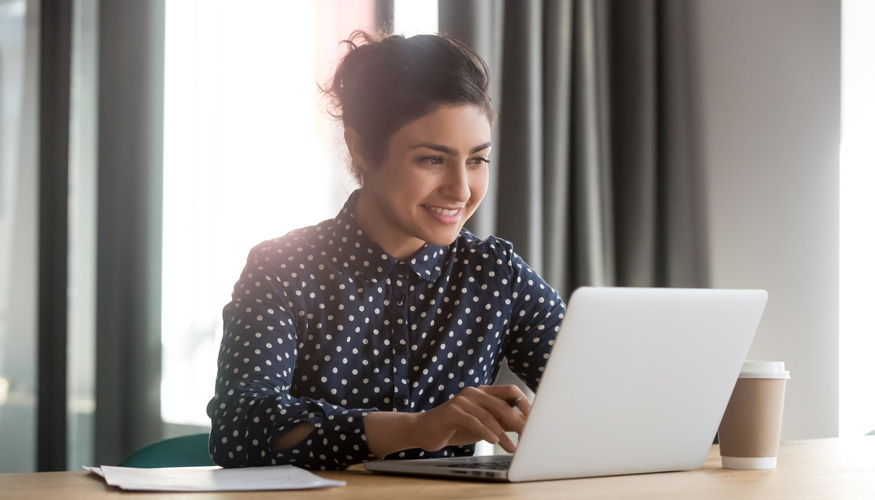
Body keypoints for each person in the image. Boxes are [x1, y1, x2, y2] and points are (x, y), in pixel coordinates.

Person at [206, 31, 566, 471]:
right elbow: (240, 429)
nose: (461, 189)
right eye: (432, 160)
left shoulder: (496, 274)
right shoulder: (282, 268)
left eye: (476, 160)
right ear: (361, 148)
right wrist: (418, 428)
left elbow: (600, 392)